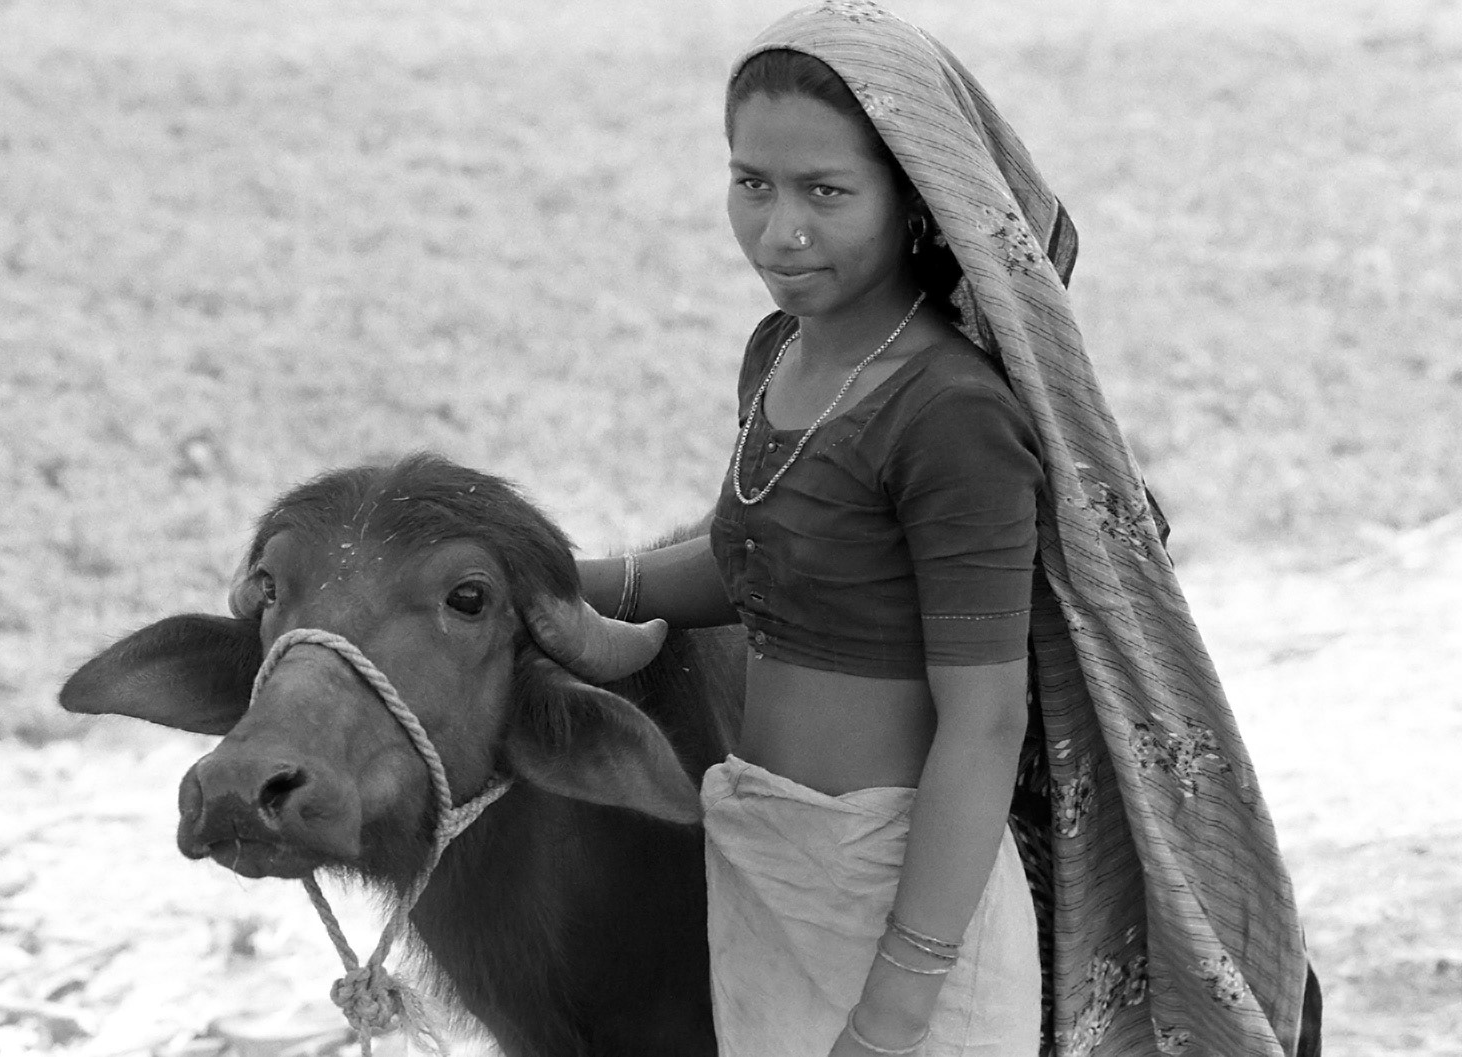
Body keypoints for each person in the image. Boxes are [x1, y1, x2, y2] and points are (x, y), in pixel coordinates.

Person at [532, 3, 1322, 1056]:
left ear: (911, 199)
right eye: (750, 183)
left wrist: (895, 1008)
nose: (781, 230)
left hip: (902, 905)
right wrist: (564, 581)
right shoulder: (781, 356)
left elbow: (983, 723)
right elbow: (763, 559)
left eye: (825, 191)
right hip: (769, 866)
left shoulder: (950, 414)